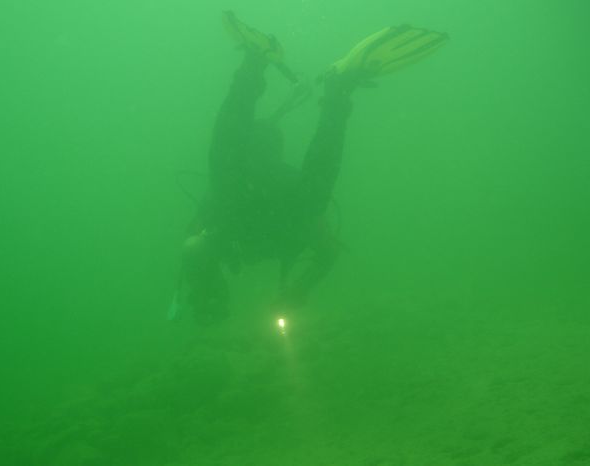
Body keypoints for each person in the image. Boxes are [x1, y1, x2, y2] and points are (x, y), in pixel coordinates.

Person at [173, 12, 448, 325]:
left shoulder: (227, 194)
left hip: (259, 215)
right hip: (282, 218)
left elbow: (193, 247)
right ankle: (329, 87)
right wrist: (298, 291)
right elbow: (327, 251)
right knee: (303, 194)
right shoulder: (250, 190)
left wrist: (209, 293)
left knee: (234, 175)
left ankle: (275, 71)